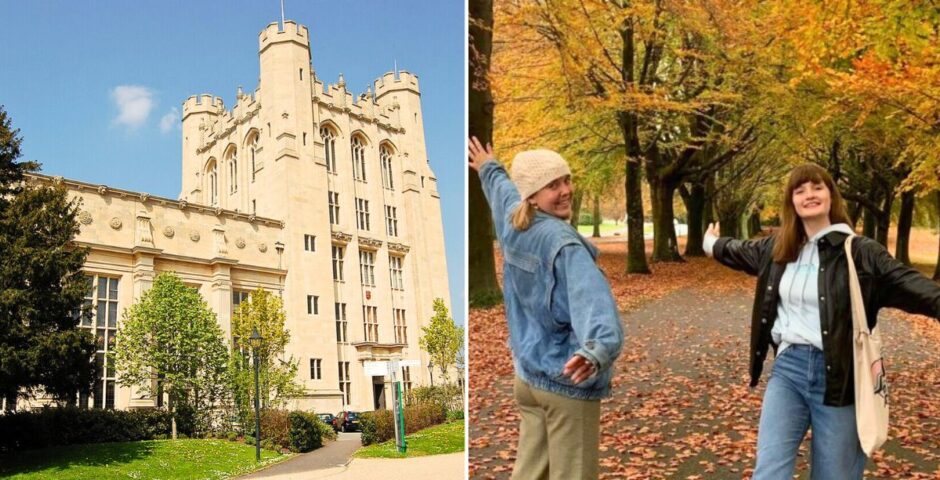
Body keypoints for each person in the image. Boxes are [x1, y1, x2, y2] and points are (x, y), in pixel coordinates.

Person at [704, 163, 940, 479]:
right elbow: (737, 250)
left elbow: (912, 285)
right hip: (788, 371)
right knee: (769, 472)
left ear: (831, 196)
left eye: (817, 187)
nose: (809, 195)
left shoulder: (861, 253)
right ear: (791, 201)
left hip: (841, 378)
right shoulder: (777, 249)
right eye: (800, 190)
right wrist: (711, 243)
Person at [469, 137, 624, 480]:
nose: (566, 190)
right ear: (533, 195)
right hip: (566, 379)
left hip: (528, 379)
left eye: (566, 180)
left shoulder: (513, 222)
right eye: (553, 185)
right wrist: (597, 349)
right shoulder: (565, 244)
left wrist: (488, 167)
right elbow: (594, 303)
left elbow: (501, 191)